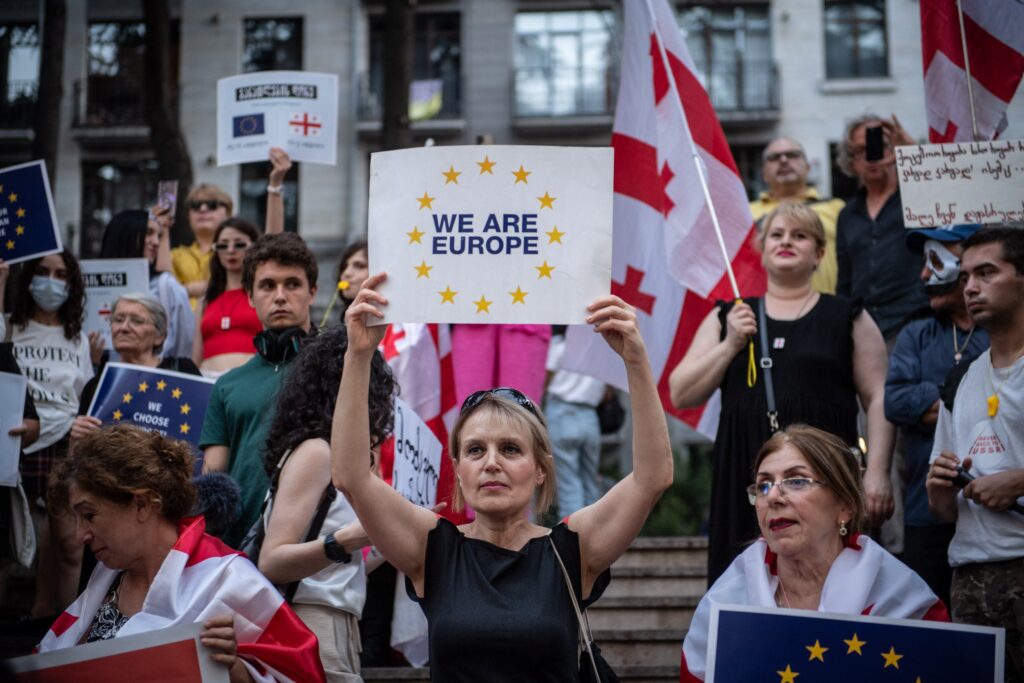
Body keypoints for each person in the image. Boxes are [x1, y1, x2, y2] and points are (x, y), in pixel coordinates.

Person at [332, 273, 673, 682]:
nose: (492, 462)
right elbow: (351, 475)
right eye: (476, 450)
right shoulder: (433, 549)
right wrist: (358, 355)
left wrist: (636, 361)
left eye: (510, 449)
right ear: (458, 471)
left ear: (542, 469)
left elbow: (652, 477)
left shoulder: (572, 550)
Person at [669, 203, 894, 584]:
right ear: (761, 248)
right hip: (747, 473)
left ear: (819, 253)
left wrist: (877, 473)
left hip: (825, 476)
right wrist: (730, 345)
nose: (787, 241)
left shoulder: (847, 315)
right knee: (743, 586)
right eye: (777, 234)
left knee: (835, 583)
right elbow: (681, 392)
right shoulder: (730, 315)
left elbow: (878, 396)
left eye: (800, 235)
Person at [39, 425, 326, 683]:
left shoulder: (231, 581)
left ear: (142, 504)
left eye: (89, 515)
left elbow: (300, 676)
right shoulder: (105, 578)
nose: (80, 535)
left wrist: (236, 670)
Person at [680, 425, 948, 682]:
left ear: (845, 505)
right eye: (762, 486)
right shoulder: (725, 604)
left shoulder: (902, 600)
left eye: (796, 481)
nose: (772, 496)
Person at [259, 326, 395, 681]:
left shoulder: (337, 458)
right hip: (311, 624)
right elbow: (272, 561)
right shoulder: (317, 452)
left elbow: (336, 567)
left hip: (340, 627)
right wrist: (347, 540)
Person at [926, 226, 1024, 682]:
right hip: (970, 574)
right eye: (966, 275)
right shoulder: (962, 380)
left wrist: (1018, 480)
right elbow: (945, 511)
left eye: (986, 272)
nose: (969, 287)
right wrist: (940, 487)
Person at [884, 224, 988, 606]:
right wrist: (970, 399)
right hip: (923, 509)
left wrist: (933, 400)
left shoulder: (1002, 333)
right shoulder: (915, 335)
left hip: (995, 511)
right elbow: (894, 401)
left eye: (936, 260)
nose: (924, 274)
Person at [200, 232, 318, 548]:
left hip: (319, 551)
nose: (280, 296)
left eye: (292, 284)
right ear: (250, 296)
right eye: (267, 286)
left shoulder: (340, 366)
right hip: (238, 552)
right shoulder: (228, 384)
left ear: (312, 293)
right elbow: (214, 477)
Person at [0, 250, 100, 617]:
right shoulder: (9, 325)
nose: (51, 281)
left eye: (61, 274)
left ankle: (55, 624)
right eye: (42, 271)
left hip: (63, 448)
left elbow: (82, 395)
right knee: (5, 542)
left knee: (68, 542)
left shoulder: (78, 340)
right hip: (13, 443)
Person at [835, 114, 928, 343]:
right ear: (852, 162)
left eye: (879, 146)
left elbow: (952, 202)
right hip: (863, 329)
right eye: (861, 150)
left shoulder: (919, 198)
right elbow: (844, 281)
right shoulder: (847, 214)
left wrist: (913, 154)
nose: (872, 156)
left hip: (914, 323)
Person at [70, 292, 201, 441]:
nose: (124, 327)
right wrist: (78, 437)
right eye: (118, 320)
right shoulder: (97, 387)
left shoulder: (183, 370)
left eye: (137, 321)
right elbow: (76, 457)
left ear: (159, 336)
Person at [749, 137, 845, 294]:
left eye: (792, 155)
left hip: (831, 310)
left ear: (807, 168)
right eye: (774, 158)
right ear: (764, 173)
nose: (784, 160)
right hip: (763, 312)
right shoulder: (745, 214)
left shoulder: (837, 208)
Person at [98, 209, 193, 359]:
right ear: (124, 235)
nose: (156, 242)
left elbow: (185, 348)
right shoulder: (93, 287)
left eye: (158, 235)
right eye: (148, 233)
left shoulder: (166, 286)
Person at [544, 327, 607, 517]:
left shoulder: (560, 346)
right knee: (591, 481)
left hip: (561, 412)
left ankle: (575, 537)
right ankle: (595, 534)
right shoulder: (600, 353)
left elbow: (545, 379)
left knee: (568, 484)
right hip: (590, 417)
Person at [193, 218, 262, 376]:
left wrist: (274, 193)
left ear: (255, 247)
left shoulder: (262, 294)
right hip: (207, 382)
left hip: (251, 380)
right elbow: (196, 355)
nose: (230, 250)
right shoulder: (206, 300)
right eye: (222, 245)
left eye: (239, 244)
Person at [172, 183, 233, 310]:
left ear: (227, 212)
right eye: (195, 206)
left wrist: (186, 289)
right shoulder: (174, 255)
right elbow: (167, 294)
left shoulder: (237, 251)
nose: (203, 209)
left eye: (212, 205)